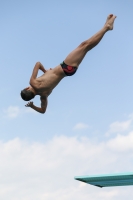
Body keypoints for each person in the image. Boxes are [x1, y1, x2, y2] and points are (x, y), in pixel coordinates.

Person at [21, 14, 116, 114]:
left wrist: (32, 106)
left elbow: (43, 110)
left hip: (69, 71)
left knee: (86, 47)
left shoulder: (44, 95)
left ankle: (106, 27)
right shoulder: (33, 83)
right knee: (85, 45)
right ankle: (107, 27)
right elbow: (38, 63)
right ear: (27, 88)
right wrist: (45, 71)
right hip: (65, 67)